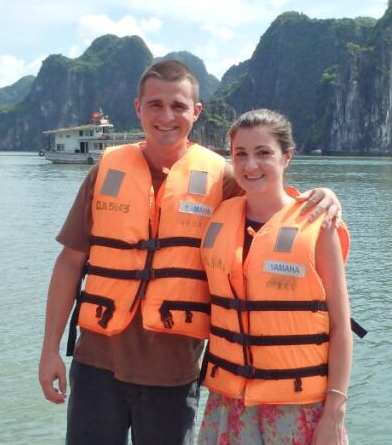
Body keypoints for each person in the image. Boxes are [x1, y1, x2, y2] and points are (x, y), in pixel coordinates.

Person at [38, 60, 343, 445]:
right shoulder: (104, 172)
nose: (167, 116)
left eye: (178, 106)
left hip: (174, 372)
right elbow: (69, 262)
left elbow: (271, 198)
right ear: (138, 108)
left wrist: (321, 196)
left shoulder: (221, 179)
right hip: (95, 363)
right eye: (155, 104)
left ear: (196, 111)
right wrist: (49, 350)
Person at [198, 109, 353, 445]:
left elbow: (341, 327)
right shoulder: (219, 214)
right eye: (240, 154)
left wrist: (334, 413)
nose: (250, 165)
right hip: (229, 404)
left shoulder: (318, 225)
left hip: (298, 407)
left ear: (287, 157)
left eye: (264, 153)